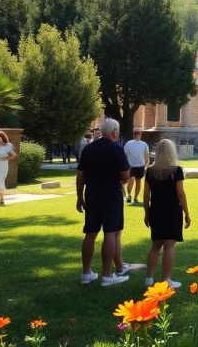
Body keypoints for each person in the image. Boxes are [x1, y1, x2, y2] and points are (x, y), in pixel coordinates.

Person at [76, 118, 133, 286]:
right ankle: (107, 275)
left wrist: (79, 197)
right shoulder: (117, 149)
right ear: (114, 131)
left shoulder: (89, 149)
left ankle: (86, 273)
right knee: (110, 232)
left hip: (92, 194)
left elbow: (80, 175)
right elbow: (125, 176)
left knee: (90, 233)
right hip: (111, 195)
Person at [142, 139, 191, 289]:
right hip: (172, 211)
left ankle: (149, 279)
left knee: (155, 246)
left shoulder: (150, 170)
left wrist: (147, 213)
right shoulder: (176, 170)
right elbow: (180, 194)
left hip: (156, 210)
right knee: (169, 247)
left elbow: (145, 195)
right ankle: (166, 280)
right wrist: (187, 213)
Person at [124, 129, 150, 204]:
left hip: (132, 165)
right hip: (138, 165)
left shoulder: (128, 143)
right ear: (140, 135)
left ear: (133, 135)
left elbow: (124, 155)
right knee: (137, 181)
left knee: (132, 181)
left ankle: (130, 196)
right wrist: (146, 165)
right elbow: (146, 156)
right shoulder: (144, 144)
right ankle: (134, 197)